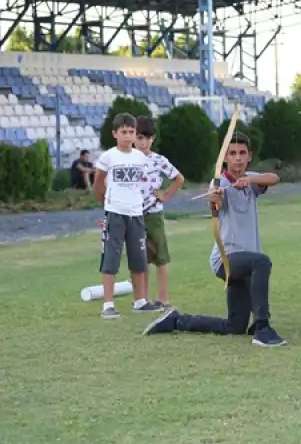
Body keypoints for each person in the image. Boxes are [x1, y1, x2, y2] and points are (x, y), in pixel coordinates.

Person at [142, 132, 287, 348]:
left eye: (242, 153)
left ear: (249, 156)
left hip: (245, 265)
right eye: (232, 153)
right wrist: (214, 199)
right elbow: (215, 202)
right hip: (226, 259)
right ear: (225, 158)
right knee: (262, 262)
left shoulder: (251, 180)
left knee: (235, 327)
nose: (238, 158)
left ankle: (177, 321)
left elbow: (273, 178)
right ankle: (263, 327)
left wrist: (250, 179)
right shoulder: (220, 181)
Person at [92, 113, 162, 318]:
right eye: (124, 132)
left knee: (139, 258)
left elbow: (142, 183)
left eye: (131, 132)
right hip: (115, 214)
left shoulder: (140, 158)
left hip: (136, 214)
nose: (128, 136)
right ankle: (108, 305)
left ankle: (140, 300)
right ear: (115, 133)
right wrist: (107, 204)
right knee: (111, 258)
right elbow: (98, 184)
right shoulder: (109, 157)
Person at [135, 116, 185, 308]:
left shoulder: (158, 160)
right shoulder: (129, 161)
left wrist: (165, 194)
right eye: (139, 137)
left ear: (153, 139)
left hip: (153, 213)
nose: (143, 142)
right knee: (142, 257)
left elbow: (178, 178)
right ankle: (143, 298)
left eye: (147, 138)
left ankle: (162, 297)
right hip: (135, 214)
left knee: (161, 256)